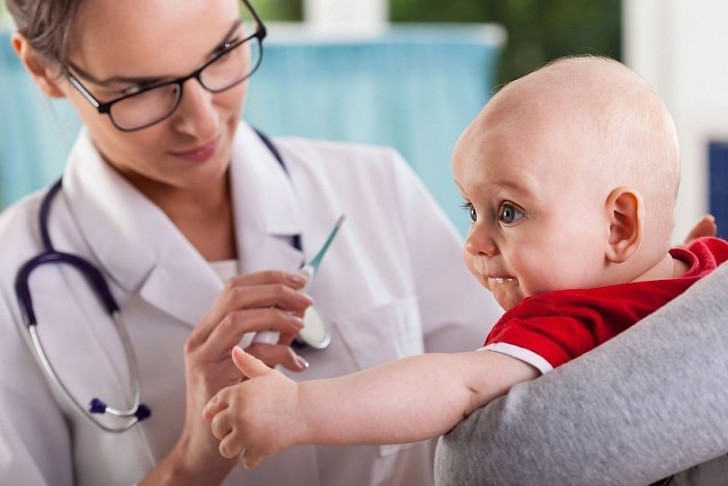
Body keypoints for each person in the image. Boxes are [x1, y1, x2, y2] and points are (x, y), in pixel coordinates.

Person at [0, 0, 505, 484]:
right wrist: (193, 462)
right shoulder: (11, 274)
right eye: (140, 89)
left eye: (222, 52)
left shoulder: (374, 186)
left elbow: (510, 407)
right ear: (42, 68)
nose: (201, 122)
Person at [201, 56, 728, 470]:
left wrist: (299, 411)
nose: (475, 241)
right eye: (471, 210)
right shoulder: (710, 265)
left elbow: (456, 386)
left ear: (618, 227)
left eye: (509, 212)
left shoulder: (566, 319)